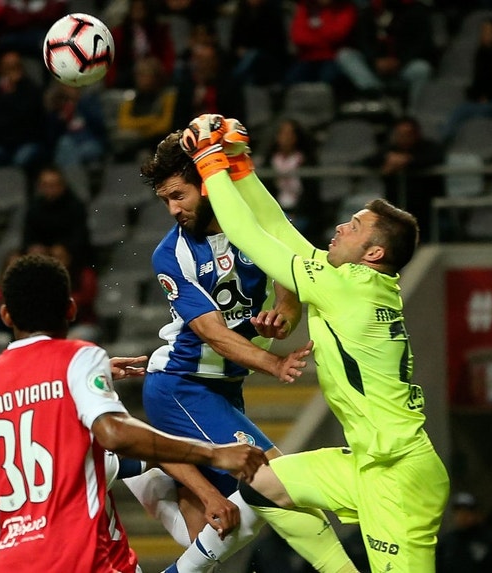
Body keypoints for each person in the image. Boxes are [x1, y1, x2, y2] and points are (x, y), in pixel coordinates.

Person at [180, 113, 450, 572]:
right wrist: (239, 165)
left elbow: (250, 236)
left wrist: (209, 161)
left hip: (398, 475)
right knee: (262, 483)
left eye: (355, 225)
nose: (342, 227)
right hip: (370, 460)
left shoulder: (347, 287)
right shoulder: (352, 281)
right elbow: (280, 232)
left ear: (374, 253)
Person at [0, 253, 270, 572]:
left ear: (5, 315)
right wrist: (214, 454)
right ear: (71, 309)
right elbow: (116, 434)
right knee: (260, 499)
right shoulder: (78, 357)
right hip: (81, 558)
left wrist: (26, 521)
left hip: (14, 563)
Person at [137, 131, 357, 573]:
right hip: (182, 386)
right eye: (165, 200)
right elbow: (213, 334)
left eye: (178, 195)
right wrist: (273, 361)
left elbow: (289, 293)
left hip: (225, 389)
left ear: (205, 182)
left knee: (219, 533)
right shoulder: (172, 254)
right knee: (274, 480)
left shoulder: (254, 227)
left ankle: (139, 468)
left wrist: (282, 318)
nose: (173, 209)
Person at [335, 0, 435, 108]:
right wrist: (375, 60)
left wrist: (400, 61)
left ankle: (415, 112)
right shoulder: (368, 13)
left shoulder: (415, 11)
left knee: (422, 69)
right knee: (344, 55)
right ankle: (377, 94)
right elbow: (363, 42)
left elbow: (420, 44)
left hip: (401, 68)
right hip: (374, 69)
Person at [363, 116, 444, 243]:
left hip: (424, 202)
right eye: (399, 134)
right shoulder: (390, 149)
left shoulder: (428, 147)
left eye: (407, 134)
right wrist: (389, 159)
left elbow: (435, 158)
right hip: (395, 203)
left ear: (416, 134)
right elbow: (368, 161)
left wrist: (407, 160)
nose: (403, 138)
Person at [440, 17, 492, 143]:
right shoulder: (482, 54)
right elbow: (479, 83)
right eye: (483, 31)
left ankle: (446, 135)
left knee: (463, 110)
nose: (484, 35)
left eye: (488, 31)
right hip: (488, 100)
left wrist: (489, 97)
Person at [113, 55, 178, 162]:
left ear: (156, 77)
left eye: (144, 75)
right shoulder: (131, 98)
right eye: (138, 75)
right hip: (137, 143)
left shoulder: (168, 97)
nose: (140, 79)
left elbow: (164, 125)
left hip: (160, 143)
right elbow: (124, 123)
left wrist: (138, 128)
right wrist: (150, 123)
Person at [285, 0, 356, 86]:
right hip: (307, 58)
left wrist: (312, 33)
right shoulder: (304, 8)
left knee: (329, 80)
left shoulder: (346, 8)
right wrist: (321, 37)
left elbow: (336, 35)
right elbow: (298, 37)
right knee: (289, 82)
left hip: (333, 58)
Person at [436, 491, 492, 573]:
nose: (462, 516)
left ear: (476, 513)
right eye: (459, 512)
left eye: (466, 511)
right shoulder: (446, 542)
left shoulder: (490, 540)